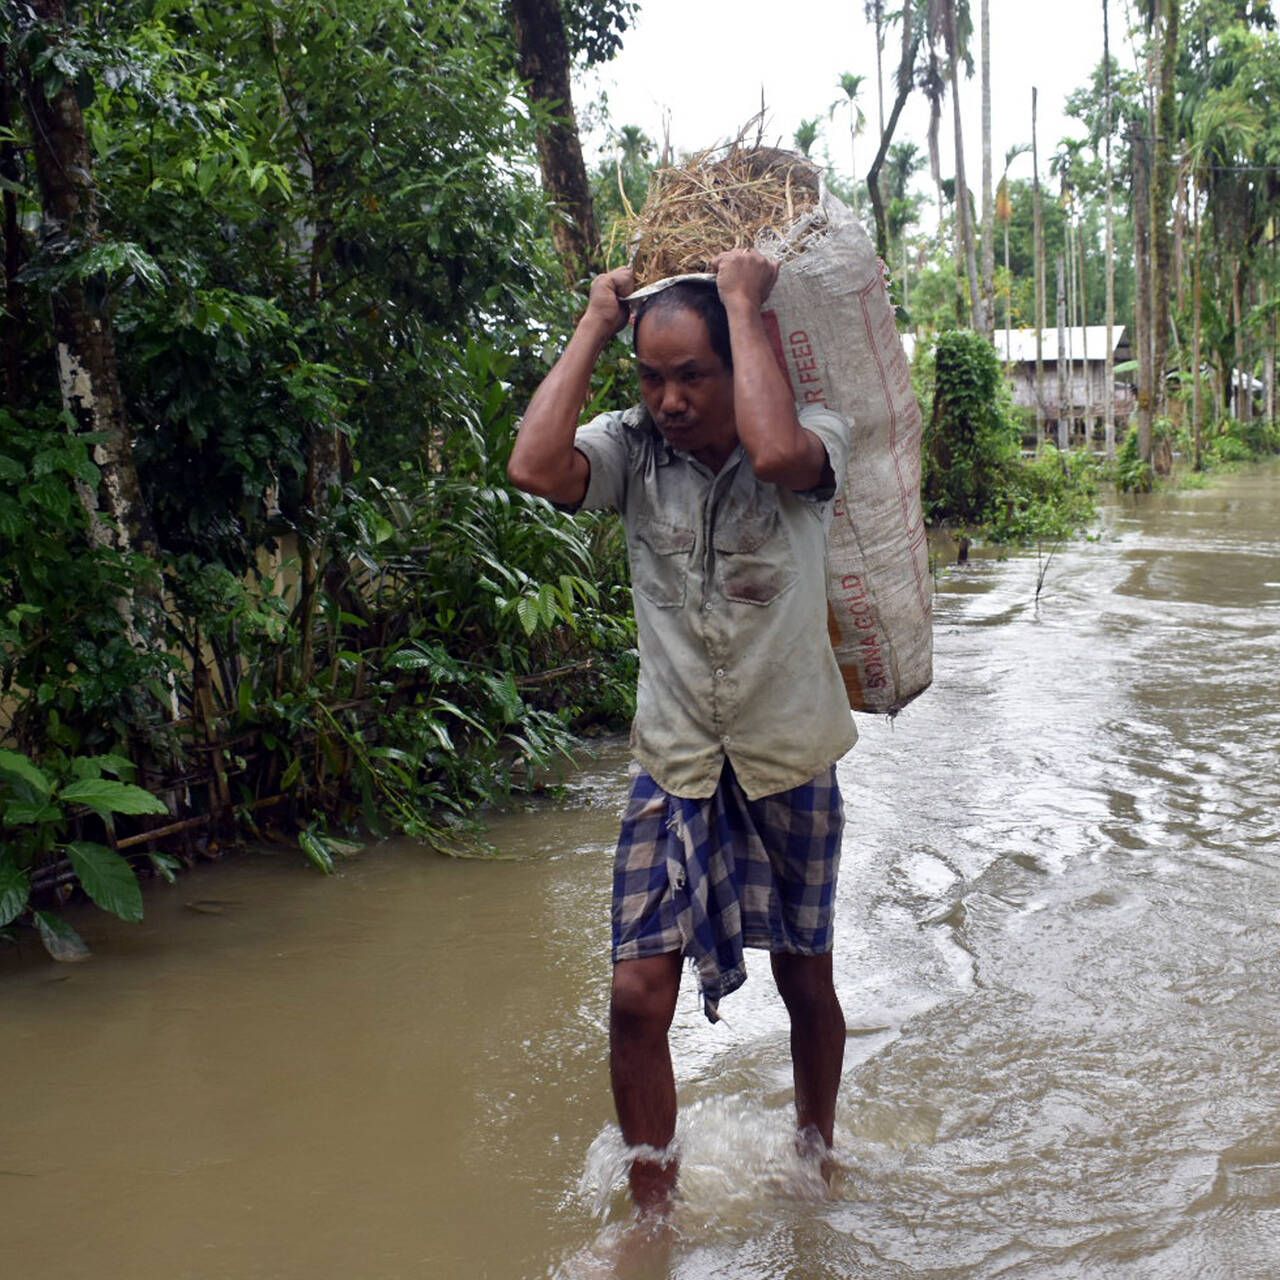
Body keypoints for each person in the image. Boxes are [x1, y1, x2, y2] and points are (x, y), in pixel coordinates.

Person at [507, 248, 856, 1216]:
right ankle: (652, 1209)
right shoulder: (629, 450)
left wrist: (742, 298)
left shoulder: (810, 433)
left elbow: (782, 456)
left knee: (805, 975)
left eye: (689, 375)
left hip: (788, 754)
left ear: (737, 363)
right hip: (675, 760)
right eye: (650, 377)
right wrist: (594, 323)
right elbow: (534, 465)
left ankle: (815, 1150)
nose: (665, 399)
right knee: (633, 995)